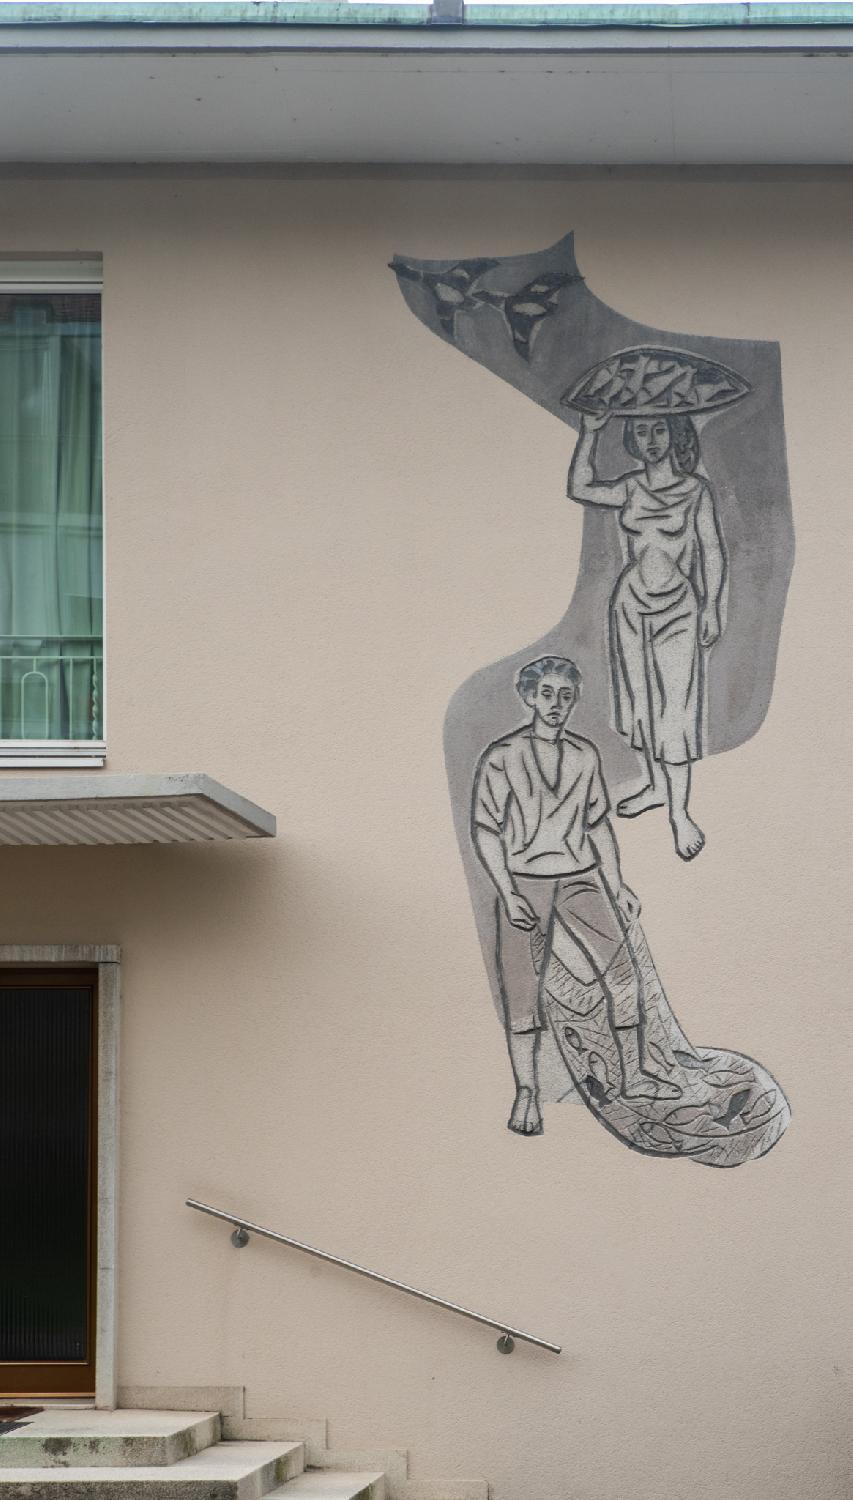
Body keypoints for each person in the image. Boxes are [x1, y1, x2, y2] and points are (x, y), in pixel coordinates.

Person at [471, 655, 681, 1137]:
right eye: (547, 694)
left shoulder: (585, 755)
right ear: (528, 697)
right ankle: (526, 1093)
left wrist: (617, 883)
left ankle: (635, 1076)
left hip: (580, 878)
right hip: (523, 884)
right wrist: (506, 891)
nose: (556, 705)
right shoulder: (501, 757)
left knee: (623, 975)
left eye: (565, 697)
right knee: (522, 993)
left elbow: (598, 826)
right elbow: (485, 828)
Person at [567, 411, 726, 860]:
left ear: (675, 434)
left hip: (678, 608)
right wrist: (590, 432)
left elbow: (712, 549)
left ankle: (679, 814)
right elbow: (579, 488)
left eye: (659, 430)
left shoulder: (696, 491)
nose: (652, 439)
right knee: (641, 705)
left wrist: (713, 606)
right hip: (630, 606)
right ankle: (655, 786)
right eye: (641, 431)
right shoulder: (631, 487)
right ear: (632, 438)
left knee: (675, 710)